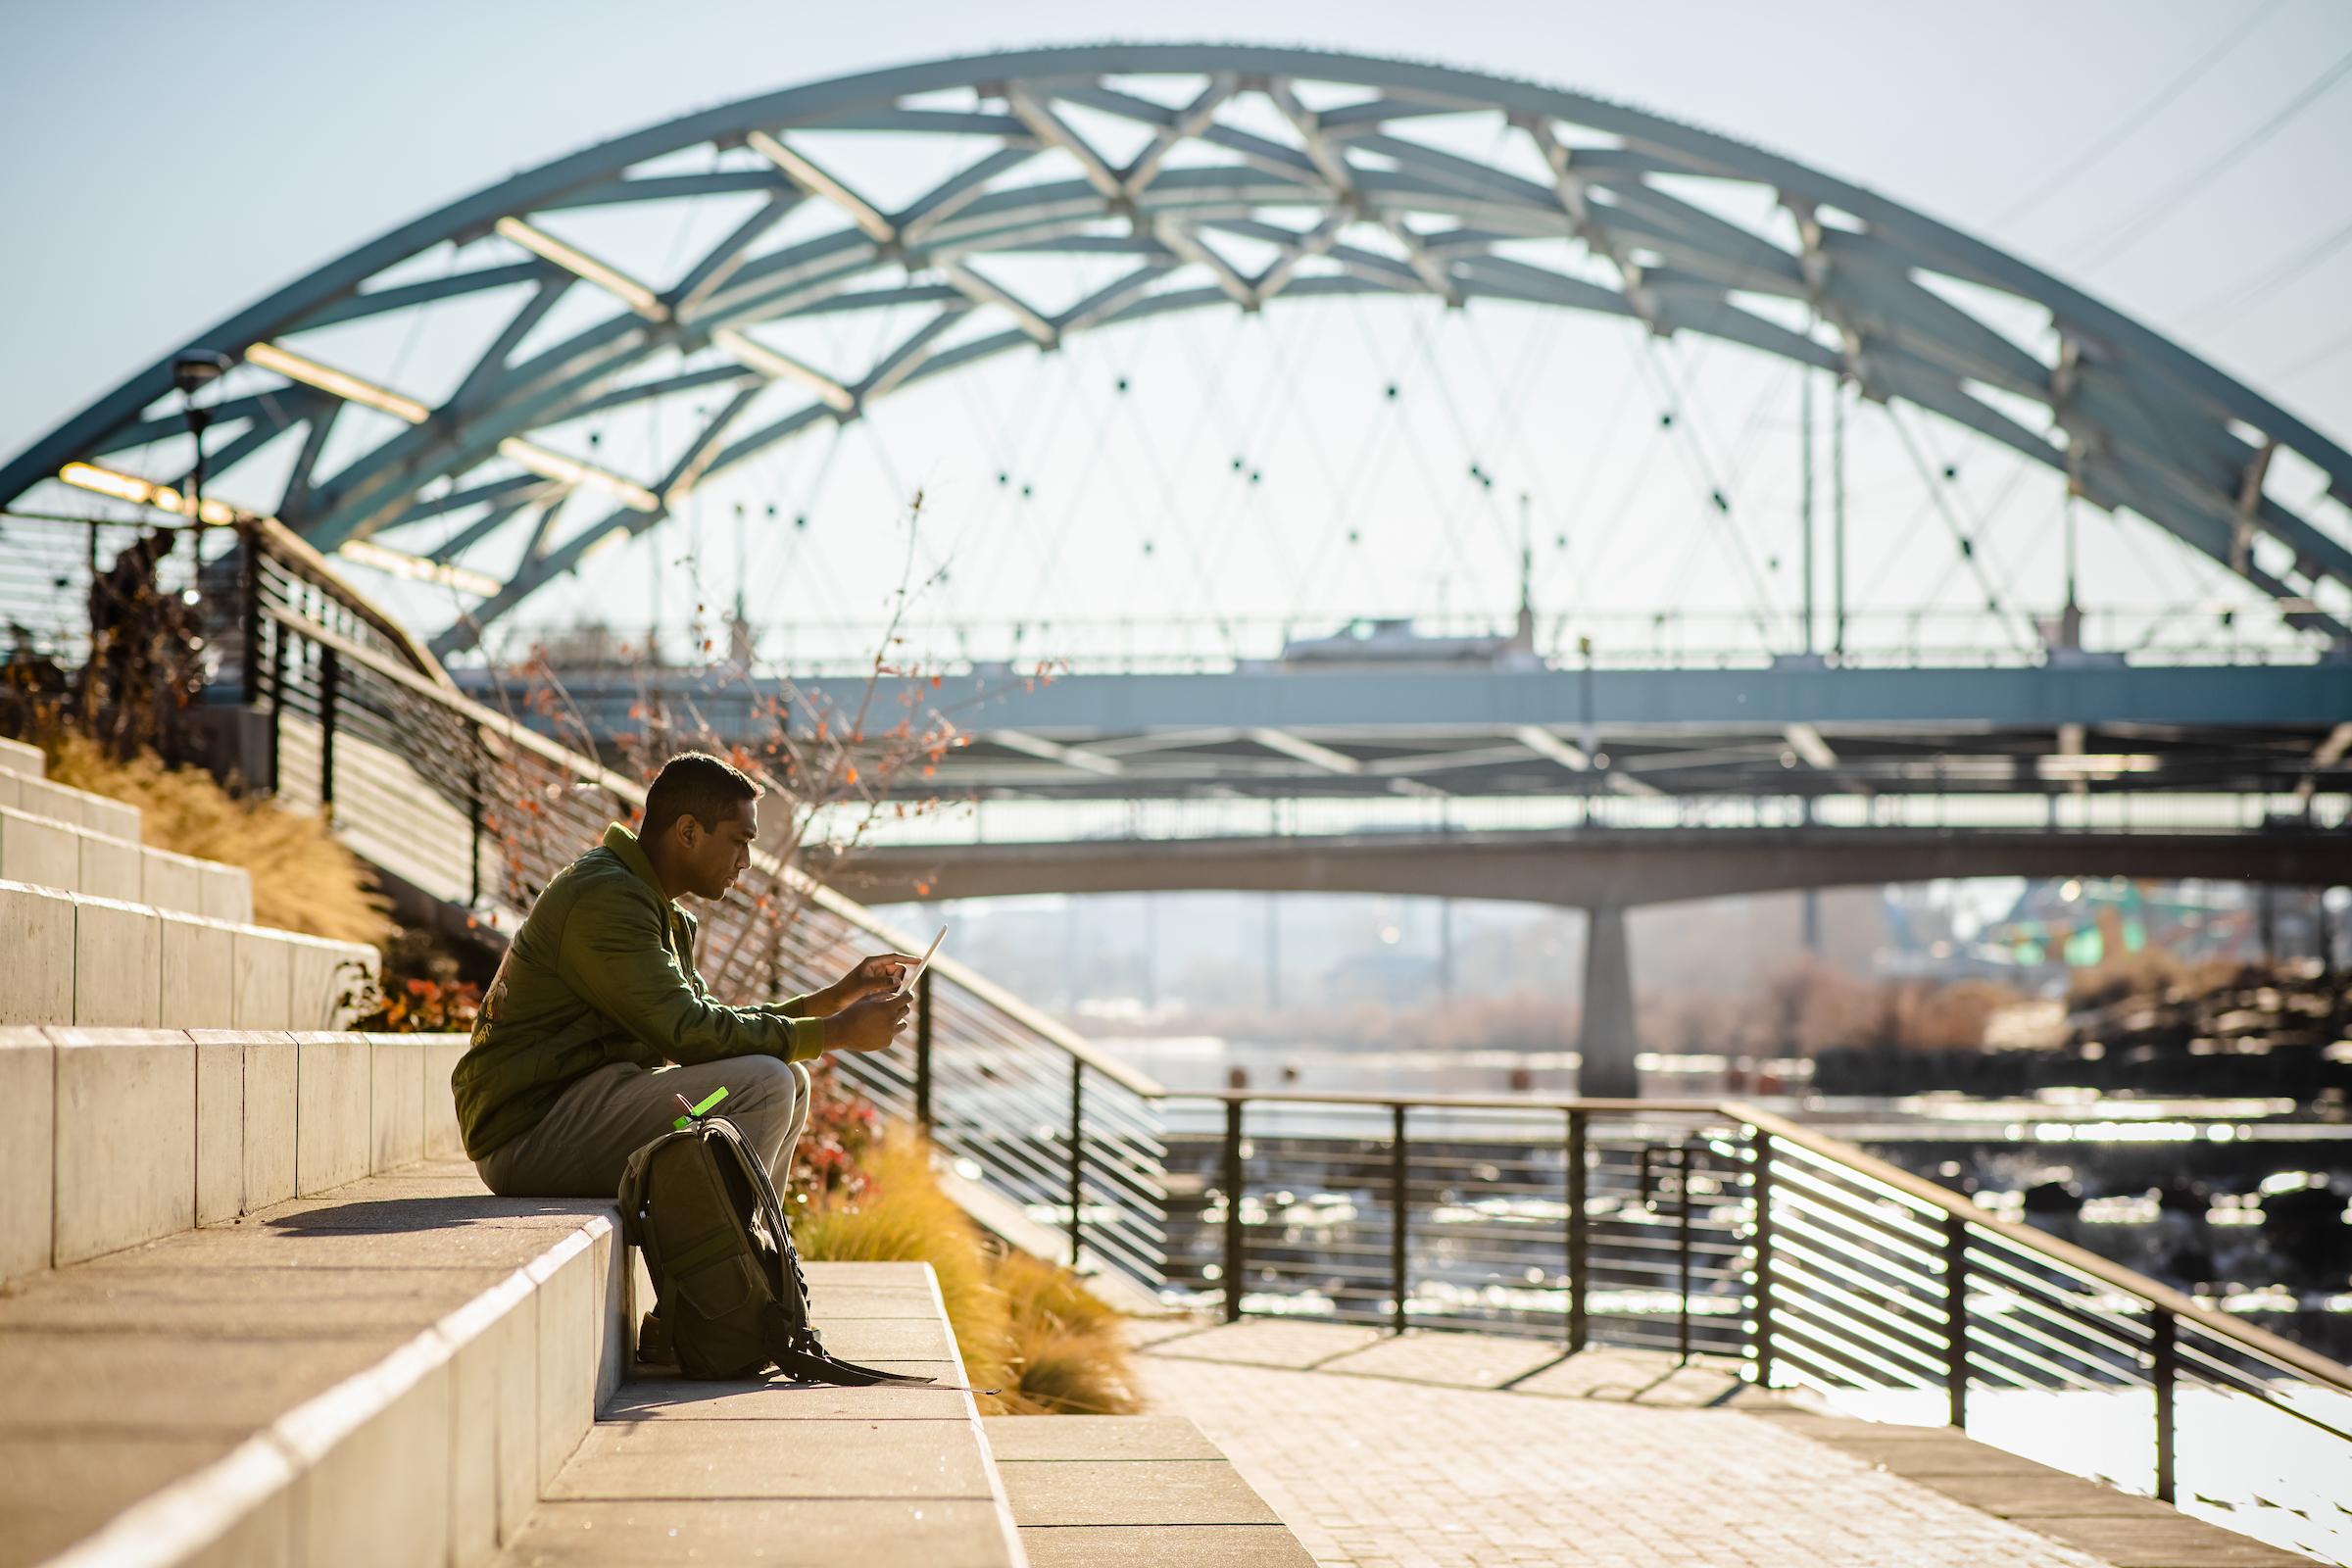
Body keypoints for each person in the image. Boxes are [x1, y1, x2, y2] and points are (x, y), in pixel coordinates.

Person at [453, 750, 915, 1203]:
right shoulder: (606, 899)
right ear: (689, 831)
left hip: (576, 1109)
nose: (746, 861)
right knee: (766, 1083)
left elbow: (708, 1023)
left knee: (790, 1080)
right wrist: (838, 1033)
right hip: (529, 1135)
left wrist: (838, 998)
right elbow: (690, 1036)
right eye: (739, 840)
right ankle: (731, 1268)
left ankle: (761, 1255)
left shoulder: (648, 903)